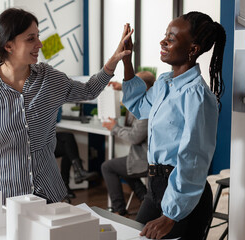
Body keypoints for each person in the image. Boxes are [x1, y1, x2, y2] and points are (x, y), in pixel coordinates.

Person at [0, 8, 133, 205]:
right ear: (9, 46)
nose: (39, 44)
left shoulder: (48, 78)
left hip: (49, 193)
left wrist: (114, 60)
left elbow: (89, 91)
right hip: (3, 197)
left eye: (38, 36)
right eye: (30, 39)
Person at [121, 11, 226, 239]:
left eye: (171, 38)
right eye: (165, 35)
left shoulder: (197, 95)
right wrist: (127, 61)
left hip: (184, 194)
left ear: (193, 49)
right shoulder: (164, 83)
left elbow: (193, 158)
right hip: (156, 188)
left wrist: (171, 215)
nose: (163, 41)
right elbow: (139, 106)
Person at [101, 71, 155, 217]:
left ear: (142, 88)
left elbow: (135, 137)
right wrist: (122, 87)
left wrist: (114, 128)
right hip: (141, 157)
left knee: (108, 167)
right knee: (126, 168)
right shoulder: (143, 101)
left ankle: (119, 209)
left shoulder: (147, 110)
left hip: (147, 160)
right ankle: (144, 199)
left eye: (133, 86)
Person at [55, 131, 99, 199]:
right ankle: (78, 173)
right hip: (37, 145)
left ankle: (65, 186)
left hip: (45, 138)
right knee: (68, 144)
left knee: (68, 145)